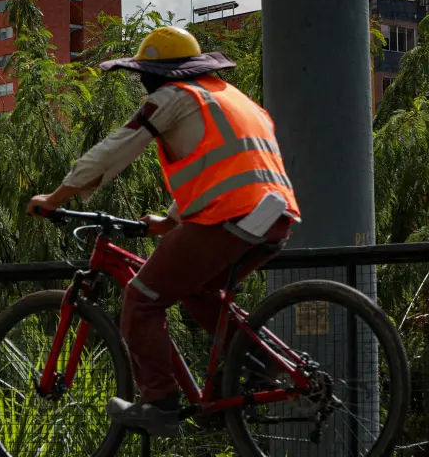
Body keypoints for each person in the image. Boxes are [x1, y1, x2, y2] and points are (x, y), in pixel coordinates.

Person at [27, 25, 300, 437]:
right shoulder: (231, 99)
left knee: (141, 296)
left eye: (144, 75)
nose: (143, 84)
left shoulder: (173, 97)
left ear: (157, 75)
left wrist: (58, 195)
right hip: (274, 216)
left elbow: (119, 145)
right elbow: (220, 167)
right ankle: (261, 367)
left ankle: (159, 403)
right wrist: (171, 221)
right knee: (194, 288)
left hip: (232, 215)